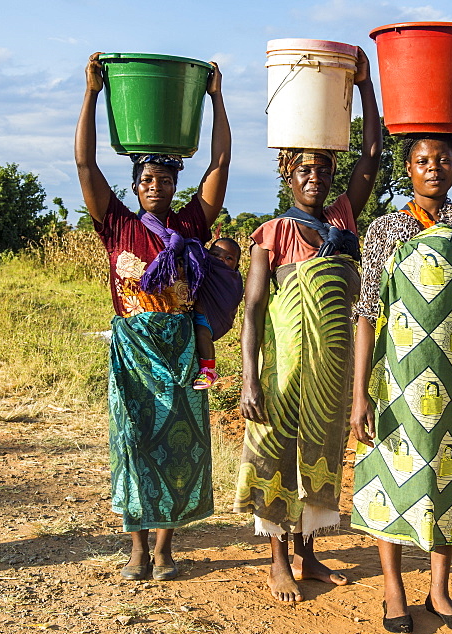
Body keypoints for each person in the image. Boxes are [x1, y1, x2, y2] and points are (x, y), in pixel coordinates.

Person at [349, 23, 452, 633]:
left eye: (444, 159)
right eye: (423, 160)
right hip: (396, 381)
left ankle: (439, 591)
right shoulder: (385, 232)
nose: (435, 168)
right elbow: (368, 312)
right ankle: (394, 589)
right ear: (410, 167)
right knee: (389, 478)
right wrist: (358, 395)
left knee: (448, 474)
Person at [75, 51, 231, 581]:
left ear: (173, 186)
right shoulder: (116, 225)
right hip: (134, 348)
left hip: (181, 346)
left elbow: (220, 167)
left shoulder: (190, 225)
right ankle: (137, 547)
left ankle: (165, 547)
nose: (156, 186)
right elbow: (84, 166)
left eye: (165, 179)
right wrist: (92, 94)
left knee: (179, 445)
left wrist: (215, 98)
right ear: (136, 186)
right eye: (147, 180)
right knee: (134, 440)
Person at [235, 47, 381, 603]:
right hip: (285, 370)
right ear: (287, 176)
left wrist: (365, 87)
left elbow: (372, 149)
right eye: (304, 170)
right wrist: (249, 379)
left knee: (320, 452)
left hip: (332, 369)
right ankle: (277, 561)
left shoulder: (344, 217)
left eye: (322, 169)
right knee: (278, 454)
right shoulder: (270, 233)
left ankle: (309, 553)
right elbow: (252, 311)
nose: (314, 178)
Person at [192, 236, 243, 389]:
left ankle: (209, 370)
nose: (221, 260)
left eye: (228, 258)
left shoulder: (232, 280)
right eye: (215, 255)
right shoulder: (203, 266)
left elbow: (230, 300)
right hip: (190, 314)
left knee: (202, 334)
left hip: (208, 318)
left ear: (236, 265)